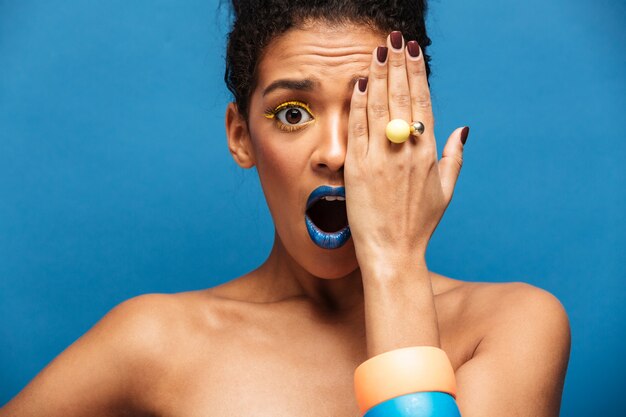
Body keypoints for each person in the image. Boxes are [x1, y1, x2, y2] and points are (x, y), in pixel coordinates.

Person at [0, 1, 571, 416]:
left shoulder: (510, 326)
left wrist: (395, 260)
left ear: (418, 126)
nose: (336, 153)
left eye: (368, 110)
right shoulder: (155, 340)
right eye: (293, 113)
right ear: (241, 136)